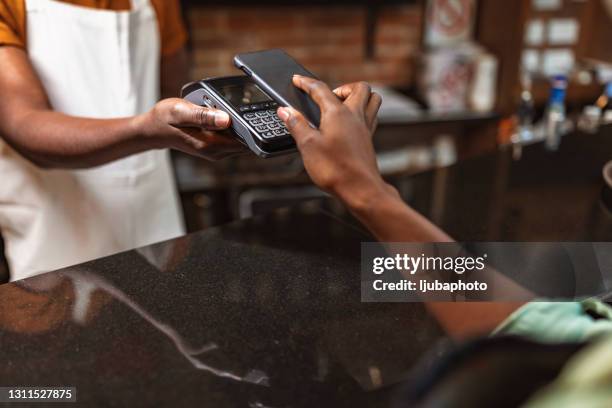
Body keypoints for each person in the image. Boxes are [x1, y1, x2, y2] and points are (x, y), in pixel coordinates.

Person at [0, 0, 245, 280]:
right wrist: (145, 130)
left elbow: (173, 87)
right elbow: (24, 124)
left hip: (154, 224)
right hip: (56, 239)